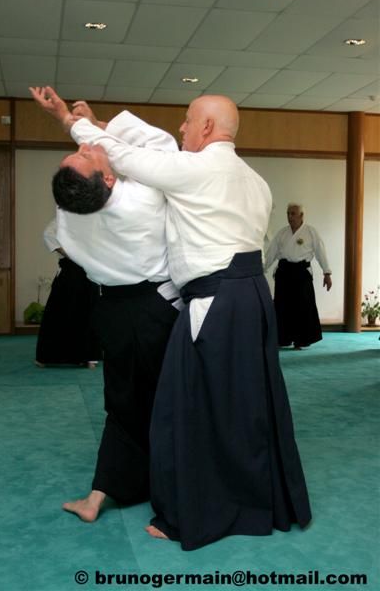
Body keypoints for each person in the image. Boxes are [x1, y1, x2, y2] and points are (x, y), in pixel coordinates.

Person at [31, 87, 311, 551]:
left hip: (213, 300)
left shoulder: (189, 171)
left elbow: (130, 154)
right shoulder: (254, 179)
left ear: (206, 127)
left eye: (186, 120)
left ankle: (197, 512)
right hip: (250, 296)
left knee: (191, 410)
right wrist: (93, 128)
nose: (180, 128)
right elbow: (136, 150)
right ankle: (265, 498)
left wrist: (70, 119)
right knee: (247, 403)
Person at [30, 87, 180, 523]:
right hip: (154, 311)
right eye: (86, 155)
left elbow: (97, 163)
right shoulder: (141, 201)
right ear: (110, 179)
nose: (84, 148)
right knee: (165, 401)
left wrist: (75, 124)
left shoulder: (69, 211)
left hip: (111, 312)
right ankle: (171, 493)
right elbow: (160, 148)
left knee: (122, 402)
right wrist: (92, 125)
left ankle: (100, 496)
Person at [265, 203, 332, 350]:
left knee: (303, 306)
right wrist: (260, 269)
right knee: (282, 306)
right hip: (284, 272)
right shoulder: (282, 233)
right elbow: (271, 253)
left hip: (301, 273)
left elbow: (321, 252)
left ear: (302, 215)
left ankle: (301, 339)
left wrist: (327, 272)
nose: (290, 217)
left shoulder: (310, 232)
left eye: (293, 214)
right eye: (288, 214)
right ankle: (283, 338)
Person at [35, 219, 100, 368]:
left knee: (88, 311)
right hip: (70, 270)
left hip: (90, 268)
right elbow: (48, 235)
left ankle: (89, 356)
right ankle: (46, 356)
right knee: (58, 311)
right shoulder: (63, 218)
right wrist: (70, 254)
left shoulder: (95, 218)